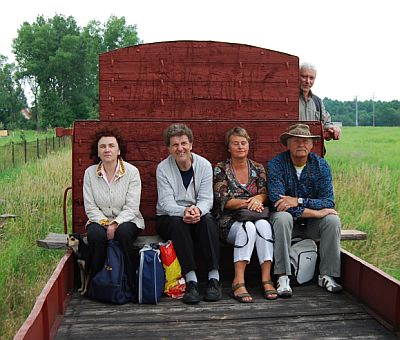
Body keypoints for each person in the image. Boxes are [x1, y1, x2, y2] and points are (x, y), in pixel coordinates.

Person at [267, 123, 342, 298]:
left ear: (311, 144)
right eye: (296, 141)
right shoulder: (276, 164)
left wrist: (298, 201)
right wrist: (316, 212)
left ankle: (326, 275)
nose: (301, 144)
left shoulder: (321, 165)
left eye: (305, 141)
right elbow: (277, 202)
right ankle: (283, 276)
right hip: (287, 226)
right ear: (288, 144)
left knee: (332, 220)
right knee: (282, 216)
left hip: (311, 226)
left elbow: (328, 201)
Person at [155, 123, 222, 304]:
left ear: (191, 144)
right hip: (169, 217)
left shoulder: (204, 165)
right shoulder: (163, 168)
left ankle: (213, 279)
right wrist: (184, 211)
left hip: (199, 213)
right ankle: (191, 281)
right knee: (178, 224)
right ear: (168, 148)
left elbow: (207, 199)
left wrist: (197, 210)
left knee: (208, 222)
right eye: (175, 145)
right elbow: (166, 204)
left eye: (184, 143)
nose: (180, 148)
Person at [214, 127, 276, 303]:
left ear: (248, 145)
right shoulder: (220, 169)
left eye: (243, 143)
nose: (240, 147)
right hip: (229, 221)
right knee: (247, 227)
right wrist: (251, 202)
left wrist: (259, 197)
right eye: (235, 143)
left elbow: (265, 194)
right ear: (229, 147)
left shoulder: (257, 167)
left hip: (256, 217)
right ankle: (238, 281)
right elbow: (223, 200)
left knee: (264, 225)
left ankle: (266, 279)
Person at [83, 128, 145, 297]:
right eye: (102, 146)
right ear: (97, 150)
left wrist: (116, 223)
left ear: (119, 150)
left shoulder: (132, 172)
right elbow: (90, 207)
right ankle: (97, 283)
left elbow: (132, 207)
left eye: (111, 145)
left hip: (128, 220)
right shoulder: (89, 173)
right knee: (95, 234)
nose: (107, 149)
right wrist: (106, 223)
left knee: (124, 233)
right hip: (99, 220)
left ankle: (130, 283)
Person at [299, 62, 341, 141]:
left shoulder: (317, 102)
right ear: (297, 76)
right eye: (304, 76)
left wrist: (333, 128)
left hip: (313, 150)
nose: (308, 81)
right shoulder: (289, 100)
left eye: (311, 78)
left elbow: (326, 124)